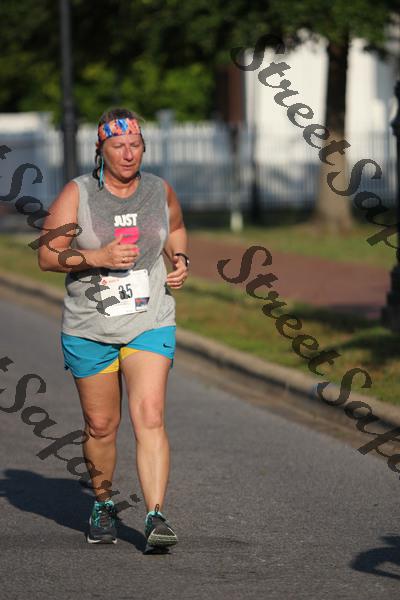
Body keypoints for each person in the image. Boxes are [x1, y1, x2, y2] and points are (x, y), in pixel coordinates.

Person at [38, 107, 189, 553]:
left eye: (135, 145)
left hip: (149, 320)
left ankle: (155, 516)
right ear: (100, 149)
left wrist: (180, 260)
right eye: (118, 145)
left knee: (150, 416)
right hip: (90, 325)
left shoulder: (159, 190)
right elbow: (47, 255)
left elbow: (176, 228)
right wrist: (97, 258)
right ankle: (103, 503)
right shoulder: (78, 193)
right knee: (102, 425)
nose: (128, 153)